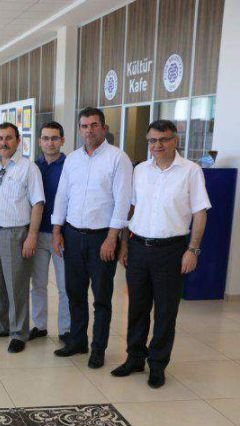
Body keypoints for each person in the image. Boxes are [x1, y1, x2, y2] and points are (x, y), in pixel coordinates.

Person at [113, 120, 210, 388]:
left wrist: (193, 250)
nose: (157, 145)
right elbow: (131, 209)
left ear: (175, 140)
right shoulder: (140, 170)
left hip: (171, 251)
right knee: (137, 308)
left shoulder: (191, 171)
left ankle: (157, 365)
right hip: (138, 247)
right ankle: (135, 358)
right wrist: (124, 245)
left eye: (164, 139)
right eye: (152, 140)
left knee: (165, 312)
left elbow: (200, 212)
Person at [52, 107, 133, 368]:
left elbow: (123, 202)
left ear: (104, 128)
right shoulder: (72, 159)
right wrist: (57, 230)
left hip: (102, 238)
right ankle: (77, 341)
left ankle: (98, 349)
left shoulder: (118, 158)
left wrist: (112, 238)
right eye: (85, 126)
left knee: (101, 298)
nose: (89, 130)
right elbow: (62, 196)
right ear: (79, 129)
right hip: (73, 235)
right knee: (74, 293)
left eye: (94, 125)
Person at [0, 123, 44, 353]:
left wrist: (31, 236)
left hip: (16, 234)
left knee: (16, 286)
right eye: (0, 138)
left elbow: (38, 204)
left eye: (8, 138)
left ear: (18, 140)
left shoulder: (28, 168)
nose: (4, 143)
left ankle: (18, 333)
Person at [31, 121, 71, 344]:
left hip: (61, 236)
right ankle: (39, 325)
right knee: (38, 284)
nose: (50, 143)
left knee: (65, 286)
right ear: (39, 141)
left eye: (54, 138)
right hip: (37, 234)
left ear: (62, 140)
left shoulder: (70, 165)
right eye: (45, 138)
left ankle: (66, 330)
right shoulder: (33, 167)